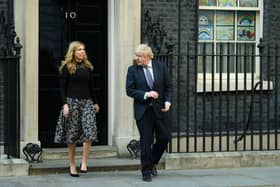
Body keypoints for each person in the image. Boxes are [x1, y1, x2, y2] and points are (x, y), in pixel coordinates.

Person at [126, 44, 173, 182]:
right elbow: (129, 90)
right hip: (143, 111)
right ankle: (146, 171)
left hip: (160, 110)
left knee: (164, 137)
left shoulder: (161, 67)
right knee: (146, 141)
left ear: (148, 56)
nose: (137, 58)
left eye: (140, 56)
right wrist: (146, 94)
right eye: (136, 56)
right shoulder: (132, 70)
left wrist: (168, 102)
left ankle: (152, 162)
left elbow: (169, 87)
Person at [54, 41, 99, 177]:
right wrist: (65, 104)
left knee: (90, 131)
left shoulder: (87, 67)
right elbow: (62, 88)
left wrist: (95, 102)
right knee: (72, 135)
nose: (82, 51)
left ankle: (84, 162)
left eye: (83, 49)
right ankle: (72, 164)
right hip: (72, 103)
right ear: (73, 52)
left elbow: (91, 87)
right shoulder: (67, 67)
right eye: (79, 49)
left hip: (87, 103)